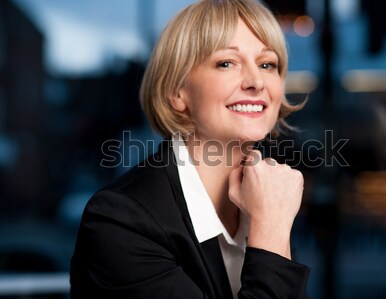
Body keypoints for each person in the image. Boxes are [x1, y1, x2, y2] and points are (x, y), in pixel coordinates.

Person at [70, 0, 309, 298]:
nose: (256, 81)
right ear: (177, 92)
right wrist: (271, 229)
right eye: (226, 63)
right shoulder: (121, 222)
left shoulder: (267, 195)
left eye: (267, 64)